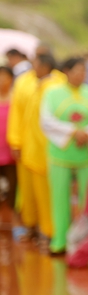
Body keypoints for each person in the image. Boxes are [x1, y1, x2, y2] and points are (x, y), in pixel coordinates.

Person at [40, 56, 88, 254]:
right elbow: (46, 120)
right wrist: (73, 131)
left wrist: (87, 133)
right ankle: (59, 240)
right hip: (61, 153)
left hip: (87, 153)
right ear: (67, 71)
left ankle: (85, 242)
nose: (81, 74)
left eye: (83, 71)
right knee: (59, 197)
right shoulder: (52, 94)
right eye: (77, 70)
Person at [8, 52, 66, 249]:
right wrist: (15, 141)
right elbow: (16, 111)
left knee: (47, 192)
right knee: (27, 191)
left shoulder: (58, 85)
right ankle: (30, 225)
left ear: (45, 66)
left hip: (49, 148)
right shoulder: (25, 81)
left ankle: (48, 231)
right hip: (28, 147)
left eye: (36, 62)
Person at [0, 66, 18, 229]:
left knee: (13, 185)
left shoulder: (15, 99)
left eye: (4, 77)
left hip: (11, 150)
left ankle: (12, 220)